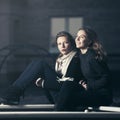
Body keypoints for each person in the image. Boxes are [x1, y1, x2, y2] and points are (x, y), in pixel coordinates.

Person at [0, 31, 82, 106]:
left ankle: (13, 93)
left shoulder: (75, 59)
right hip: (56, 94)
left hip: (64, 97)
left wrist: (44, 83)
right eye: (59, 44)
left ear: (71, 43)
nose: (62, 46)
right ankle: (13, 93)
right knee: (36, 63)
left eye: (66, 43)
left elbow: (68, 86)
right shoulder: (61, 59)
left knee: (40, 64)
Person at [55, 27, 113, 111]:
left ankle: (56, 114)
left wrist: (89, 86)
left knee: (67, 98)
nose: (77, 39)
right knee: (67, 88)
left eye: (82, 37)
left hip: (101, 95)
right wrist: (83, 81)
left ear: (89, 41)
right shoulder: (81, 55)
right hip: (90, 92)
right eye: (77, 36)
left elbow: (107, 78)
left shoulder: (92, 57)